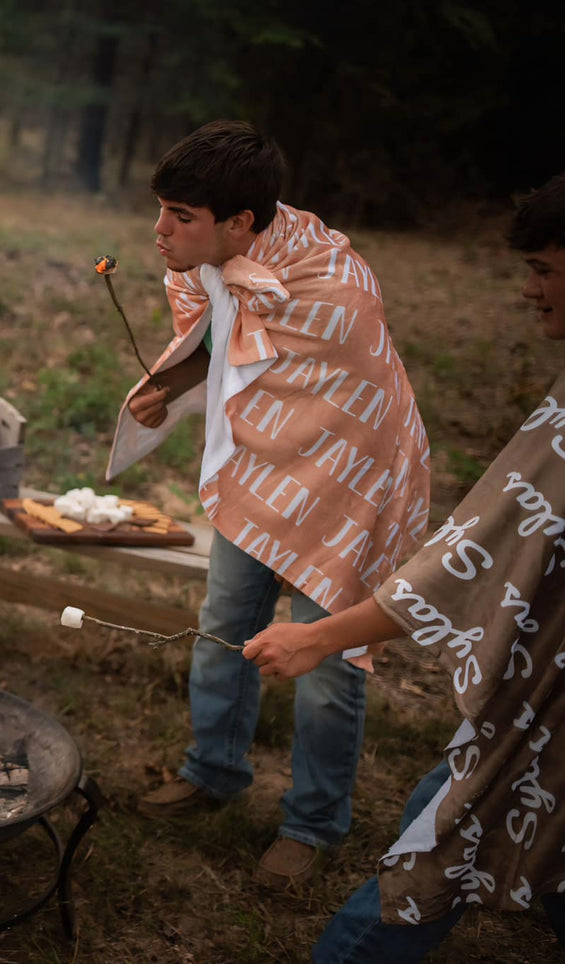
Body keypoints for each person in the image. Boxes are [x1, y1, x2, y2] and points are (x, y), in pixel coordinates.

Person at [243, 172, 565, 960]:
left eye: (544, 270)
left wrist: (321, 637)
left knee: (433, 849)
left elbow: (469, 559)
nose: (527, 291)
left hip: (541, 710)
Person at [105, 120, 431, 887]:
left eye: (180, 216)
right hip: (259, 471)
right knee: (223, 625)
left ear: (240, 223)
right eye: (160, 209)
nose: (159, 231)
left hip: (344, 482)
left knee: (325, 660)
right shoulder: (220, 264)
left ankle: (312, 825)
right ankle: (212, 771)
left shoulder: (329, 287)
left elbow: (340, 389)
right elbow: (226, 339)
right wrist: (170, 388)